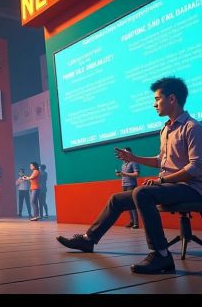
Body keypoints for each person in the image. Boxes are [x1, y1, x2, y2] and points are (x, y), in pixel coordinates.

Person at [57, 77, 202, 274]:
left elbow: (195, 168)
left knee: (142, 193)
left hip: (191, 188)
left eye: (157, 99)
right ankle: (89, 239)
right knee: (116, 199)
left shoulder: (192, 127)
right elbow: (160, 160)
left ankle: (161, 254)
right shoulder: (165, 129)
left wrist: (161, 180)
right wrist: (134, 158)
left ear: (172, 99)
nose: (154, 104)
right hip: (170, 186)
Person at [114, 149, 140, 228]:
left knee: (132, 204)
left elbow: (136, 174)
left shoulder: (134, 162)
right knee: (127, 203)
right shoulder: (123, 164)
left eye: (125, 153)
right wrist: (120, 174)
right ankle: (131, 221)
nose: (123, 154)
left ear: (129, 153)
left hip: (131, 185)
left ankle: (136, 223)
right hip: (124, 185)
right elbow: (124, 175)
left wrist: (124, 173)